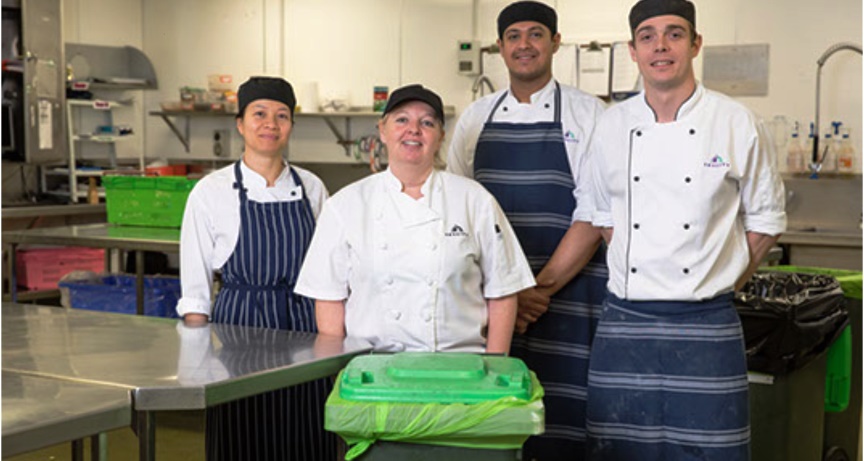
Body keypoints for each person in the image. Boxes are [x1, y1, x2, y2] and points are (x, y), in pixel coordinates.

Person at [583, 1, 786, 459]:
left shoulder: (736, 123)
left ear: (696, 45)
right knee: (619, 450)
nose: (660, 46)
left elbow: (766, 220)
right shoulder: (610, 126)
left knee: (712, 450)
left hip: (707, 322)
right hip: (625, 320)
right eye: (647, 36)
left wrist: (722, 280)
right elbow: (603, 216)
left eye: (674, 34)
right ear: (632, 51)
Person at [446, 1, 608, 459]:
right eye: (513, 36)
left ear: (555, 42)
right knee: (496, 413)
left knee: (567, 414)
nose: (524, 45)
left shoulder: (590, 114)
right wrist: (510, 294)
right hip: (493, 300)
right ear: (500, 47)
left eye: (536, 34)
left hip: (570, 293)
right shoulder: (475, 118)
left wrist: (538, 289)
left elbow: (596, 212)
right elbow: (460, 210)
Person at [295, 84, 535, 354]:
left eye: (427, 122)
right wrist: (339, 367)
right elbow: (328, 297)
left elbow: (503, 292)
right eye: (401, 120)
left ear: (440, 136)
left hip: (460, 366)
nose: (414, 130)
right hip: (370, 366)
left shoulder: (475, 200)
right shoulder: (345, 205)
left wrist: (496, 364)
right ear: (382, 130)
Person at [177, 76, 337, 460]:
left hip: (304, 325)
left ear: (291, 125)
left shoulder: (312, 187)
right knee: (243, 431)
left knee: (306, 429)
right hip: (240, 328)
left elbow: (332, 269)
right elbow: (195, 289)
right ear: (240, 123)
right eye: (260, 114)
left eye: (282, 115)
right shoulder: (210, 192)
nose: (271, 124)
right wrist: (198, 361)